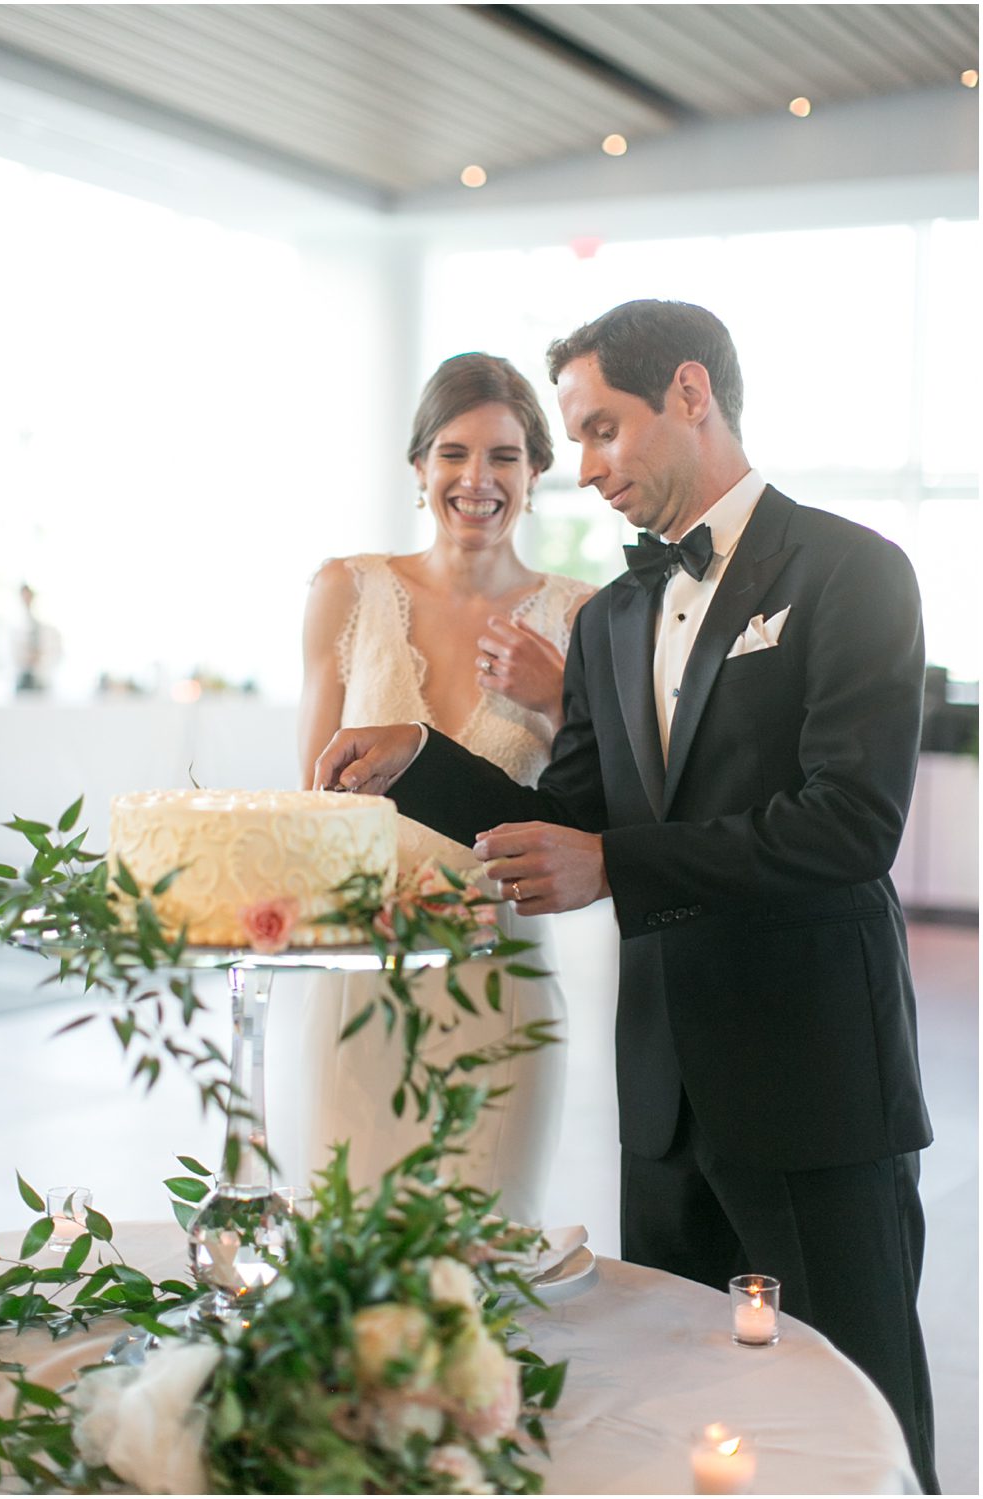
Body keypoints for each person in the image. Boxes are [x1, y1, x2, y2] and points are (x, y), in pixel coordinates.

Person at [316, 300, 935, 1490]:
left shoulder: (854, 570)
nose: (584, 468)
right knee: (680, 1422)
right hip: (660, 1101)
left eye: (600, 430)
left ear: (690, 394)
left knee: (857, 1413)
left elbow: (850, 825)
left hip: (812, 1087)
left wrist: (618, 865)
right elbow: (583, 818)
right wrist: (416, 760)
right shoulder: (609, 616)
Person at [278, 352, 587, 1226]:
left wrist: (558, 697)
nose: (477, 479)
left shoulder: (581, 616)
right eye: (454, 453)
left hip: (503, 974)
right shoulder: (348, 589)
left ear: (535, 473)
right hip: (362, 969)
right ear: (420, 468)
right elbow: (312, 801)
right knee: (346, 1242)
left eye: (503, 456)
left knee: (484, 1250)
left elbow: (601, 801)